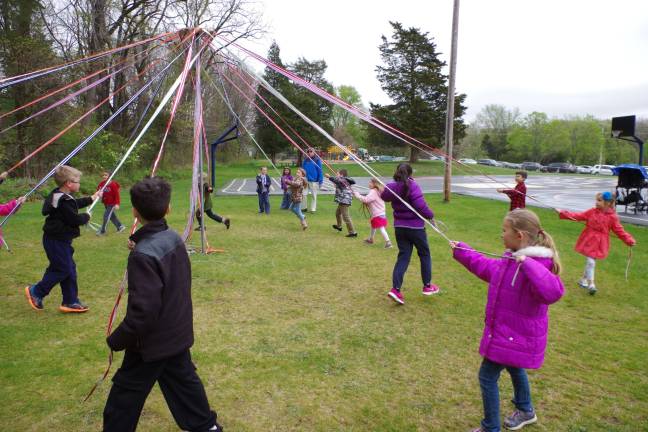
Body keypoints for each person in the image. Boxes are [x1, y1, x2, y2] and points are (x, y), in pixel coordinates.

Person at [103, 176, 223, 432]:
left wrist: (117, 340)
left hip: (150, 343)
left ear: (134, 210)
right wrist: (140, 243)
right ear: (168, 208)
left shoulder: (145, 254)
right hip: (175, 333)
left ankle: (205, 426)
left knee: (124, 397)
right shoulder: (173, 238)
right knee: (183, 381)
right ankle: (206, 426)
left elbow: (143, 314)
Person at [451, 209, 564, 432]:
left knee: (487, 376)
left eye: (504, 231)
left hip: (515, 334)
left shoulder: (538, 264)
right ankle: (525, 410)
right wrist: (462, 251)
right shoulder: (510, 260)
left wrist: (528, 263)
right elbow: (486, 267)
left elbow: (553, 292)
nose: (501, 235)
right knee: (514, 366)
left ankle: (490, 427)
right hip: (509, 334)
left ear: (519, 235)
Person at [25, 165, 101, 313]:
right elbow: (74, 219)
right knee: (63, 268)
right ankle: (36, 291)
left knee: (68, 269)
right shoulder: (63, 200)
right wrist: (87, 216)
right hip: (56, 241)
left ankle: (70, 300)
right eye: (78, 181)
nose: (79, 184)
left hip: (61, 240)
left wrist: (92, 198)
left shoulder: (60, 196)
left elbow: (74, 203)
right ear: (69, 183)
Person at [381, 163, 439, 304]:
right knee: (424, 254)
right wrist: (431, 216)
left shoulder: (393, 186)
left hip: (400, 228)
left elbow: (384, 196)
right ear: (411, 173)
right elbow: (420, 206)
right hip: (416, 228)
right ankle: (427, 286)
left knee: (404, 256)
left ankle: (396, 289)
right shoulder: (412, 185)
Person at [557, 191, 635, 295]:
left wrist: (629, 240)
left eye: (599, 200)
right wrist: (563, 213)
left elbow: (619, 230)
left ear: (608, 203)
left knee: (590, 261)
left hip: (600, 243)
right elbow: (578, 216)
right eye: (596, 200)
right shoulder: (592, 211)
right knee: (591, 262)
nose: (596, 202)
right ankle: (591, 284)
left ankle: (583, 280)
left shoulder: (613, 217)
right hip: (589, 239)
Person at [353, 178, 392, 248]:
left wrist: (357, 195)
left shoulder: (373, 191)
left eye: (370, 183)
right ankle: (371, 239)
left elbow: (366, 199)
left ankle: (388, 242)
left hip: (378, 213)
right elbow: (370, 200)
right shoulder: (377, 191)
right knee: (373, 226)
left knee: (381, 228)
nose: (369, 184)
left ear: (374, 184)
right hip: (380, 212)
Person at [325, 169, 357, 238]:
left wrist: (329, 177)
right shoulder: (343, 180)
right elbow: (337, 183)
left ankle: (353, 232)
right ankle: (339, 226)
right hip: (343, 199)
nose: (336, 175)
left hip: (344, 200)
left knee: (346, 217)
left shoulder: (342, 180)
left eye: (337, 174)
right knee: (337, 213)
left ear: (341, 175)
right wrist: (333, 181)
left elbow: (337, 180)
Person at [96, 171, 126, 235]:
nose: (104, 176)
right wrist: (99, 193)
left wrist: (117, 204)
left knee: (106, 216)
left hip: (112, 203)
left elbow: (117, 195)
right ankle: (120, 226)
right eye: (103, 175)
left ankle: (102, 231)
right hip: (106, 203)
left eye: (106, 175)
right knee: (112, 216)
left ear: (110, 176)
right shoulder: (102, 183)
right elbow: (98, 189)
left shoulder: (113, 184)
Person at [301, 148, 323, 213]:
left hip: (314, 181)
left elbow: (320, 171)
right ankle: (304, 207)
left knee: (313, 195)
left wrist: (320, 180)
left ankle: (313, 209)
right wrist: (301, 178)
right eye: (308, 151)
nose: (309, 153)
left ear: (314, 152)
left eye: (311, 151)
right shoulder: (305, 161)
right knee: (304, 194)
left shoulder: (317, 160)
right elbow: (302, 170)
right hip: (305, 180)